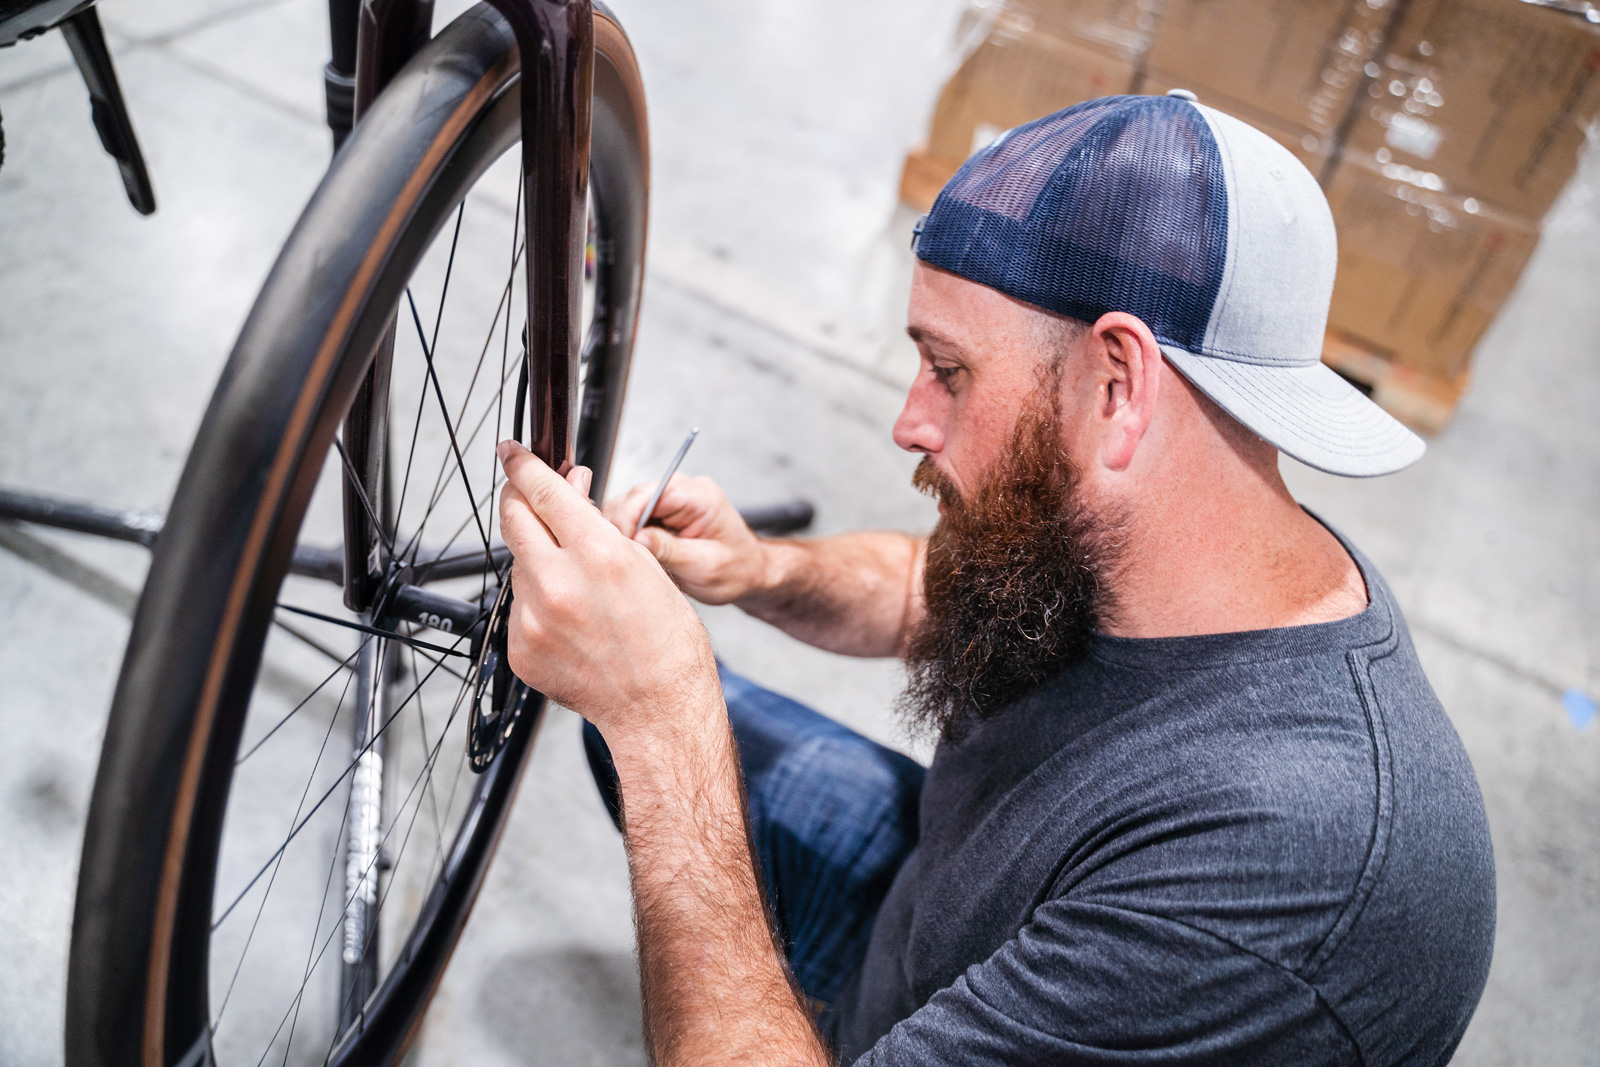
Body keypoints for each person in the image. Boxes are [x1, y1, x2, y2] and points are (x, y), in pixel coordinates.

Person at [493, 92, 1496, 1066]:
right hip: (933, 922)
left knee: (661, 755)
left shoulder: (1280, 879)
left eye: (950, 369)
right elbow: (918, 591)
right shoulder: (1164, 540)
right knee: (626, 747)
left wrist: (663, 719)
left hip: (995, 987)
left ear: (1117, 385)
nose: (909, 421)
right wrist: (761, 568)